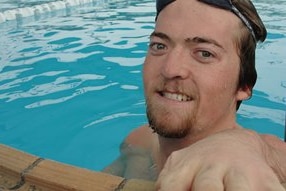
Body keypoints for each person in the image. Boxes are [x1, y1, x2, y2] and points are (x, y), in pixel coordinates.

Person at [103, 0, 286, 190]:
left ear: (243, 86)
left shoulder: (262, 159)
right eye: (159, 46)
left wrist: (246, 143)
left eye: (205, 53)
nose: (170, 69)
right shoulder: (138, 141)